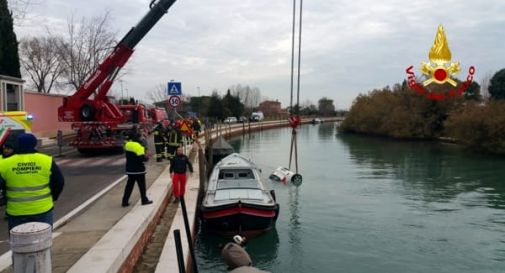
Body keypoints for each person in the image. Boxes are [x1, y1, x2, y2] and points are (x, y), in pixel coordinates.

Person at [0, 133, 64, 230]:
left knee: (19, 242)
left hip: (17, 211)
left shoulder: (4, 163)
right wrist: (53, 197)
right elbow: (59, 182)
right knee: (43, 240)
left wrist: (6, 198)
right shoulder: (46, 160)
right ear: (35, 144)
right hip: (42, 209)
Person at [122, 131, 153, 207]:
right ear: (138, 138)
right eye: (141, 137)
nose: (142, 138)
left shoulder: (128, 145)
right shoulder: (139, 146)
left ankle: (125, 201)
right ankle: (144, 200)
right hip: (139, 170)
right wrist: (147, 157)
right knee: (142, 186)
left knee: (129, 186)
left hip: (130, 169)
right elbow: (141, 159)